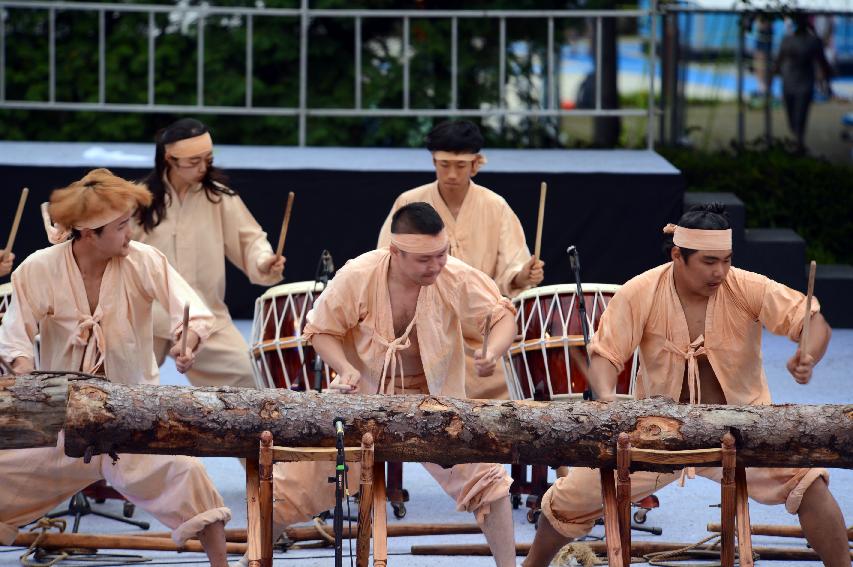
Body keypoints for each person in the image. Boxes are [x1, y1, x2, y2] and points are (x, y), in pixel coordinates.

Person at [521, 204, 850, 567]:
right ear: (678, 255)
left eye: (726, 260)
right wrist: (605, 394)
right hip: (658, 431)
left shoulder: (748, 286)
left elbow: (813, 321)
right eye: (709, 261)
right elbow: (606, 355)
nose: (720, 271)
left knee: (810, 485)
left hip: (743, 430)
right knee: (570, 496)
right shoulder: (641, 291)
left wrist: (808, 353)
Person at [233, 202, 519, 567]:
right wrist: (345, 368)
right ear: (395, 252)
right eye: (424, 259)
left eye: (442, 254)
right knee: (290, 490)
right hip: (362, 401)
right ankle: (251, 560)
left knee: (490, 482)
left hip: (435, 403)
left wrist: (492, 351)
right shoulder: (359, 274)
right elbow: (321, 331)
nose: (436, 265)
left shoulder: (453, 275)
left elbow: (501, 314)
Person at [0, 169, 230, 566]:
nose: (130, 234)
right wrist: (23, 378)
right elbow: (15, 333)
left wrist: (185, 342)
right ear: (90, 233)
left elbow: (191, 311)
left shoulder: (143, 261)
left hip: (131, 417)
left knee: (189, 475)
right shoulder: (40, 268)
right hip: (64, 419)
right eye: (122, 226)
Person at [378, 120, 544, 399]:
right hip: (421, 333)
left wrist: (522, 276)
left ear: (476, 164)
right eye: (444, 165)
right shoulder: (410, 202)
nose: (452, 173)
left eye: (460, 165)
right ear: (433, 161)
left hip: (481, 335)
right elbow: (385, 260)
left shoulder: (495, 206)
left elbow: (514, 264)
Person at [136, 118, 285, 389]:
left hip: (205, 314)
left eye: (207, 159)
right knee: (119, 385)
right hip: (147, 316)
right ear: (170, 158)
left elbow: (250, 239)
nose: (203, 167)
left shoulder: (219, 198)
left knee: (247, 379)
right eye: (194, 162)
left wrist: (264, 261)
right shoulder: (140, 200)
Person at [776, 14, 834, 151]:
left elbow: (823, 62)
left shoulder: (811, 41)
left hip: (802, 83)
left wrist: (827, 80)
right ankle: (798, 141)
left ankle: (799, 142)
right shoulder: (789, 40)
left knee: (799, 115)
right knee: (794, 115)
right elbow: (779, 61)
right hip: (793, 82)